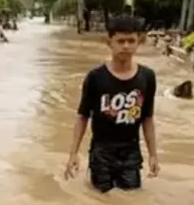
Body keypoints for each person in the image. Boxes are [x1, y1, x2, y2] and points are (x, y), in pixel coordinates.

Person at [65, 15, 159, 191]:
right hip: (102, 152)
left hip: (131, 152)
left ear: (139, 41)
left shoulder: (147, 77)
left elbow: (147, 118)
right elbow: (83, 116)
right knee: (102, 200)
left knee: (131, 198)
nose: (126, 46)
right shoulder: (95, 77)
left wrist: (153, 154)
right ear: (110, 42)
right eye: (121, 41)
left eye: (131, 41)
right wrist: (73, 154)